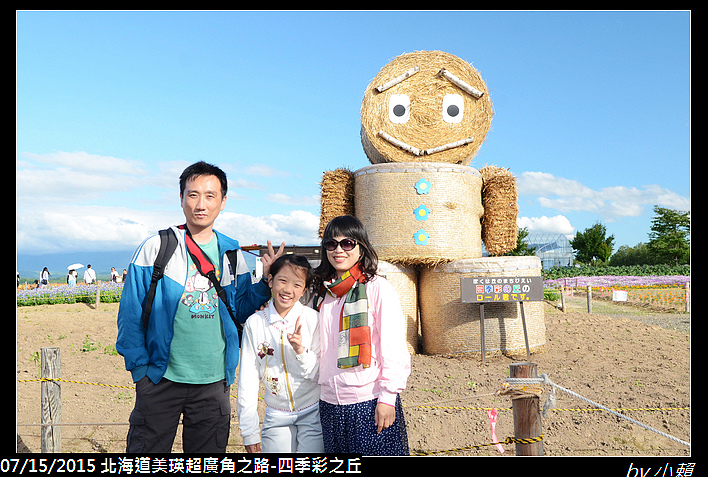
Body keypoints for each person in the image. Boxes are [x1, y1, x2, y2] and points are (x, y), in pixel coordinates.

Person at [116, 161, 284, 453]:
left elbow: (239, 311)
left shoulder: (232, 253)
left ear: (223, 201)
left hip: (214, 382)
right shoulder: (156, 247)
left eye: (210, 195)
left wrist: (265, 283)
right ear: (181, 198)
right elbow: (130, 316)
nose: (200, 204)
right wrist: (141, 373)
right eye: (192, 194)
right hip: (160, 377)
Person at [312, 215, 411, 455]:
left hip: (368, 401)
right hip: (330, 403)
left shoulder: (377, 288)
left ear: (361, 247)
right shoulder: (322, 292)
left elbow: (393, 346)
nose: (338, 250)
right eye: (331, 244)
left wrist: (388, 398)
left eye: (347, 243)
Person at [237, 254, 323, 453]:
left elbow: (320, 374)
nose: (287, 290)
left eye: (297, 284)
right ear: (270, 280)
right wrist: (249, 431)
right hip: (276, 415)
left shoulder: (313, 319)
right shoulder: (256, 323)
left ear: (304, 290)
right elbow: (247, 380)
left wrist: (301, 351)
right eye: (282, 280)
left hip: (313, 412)